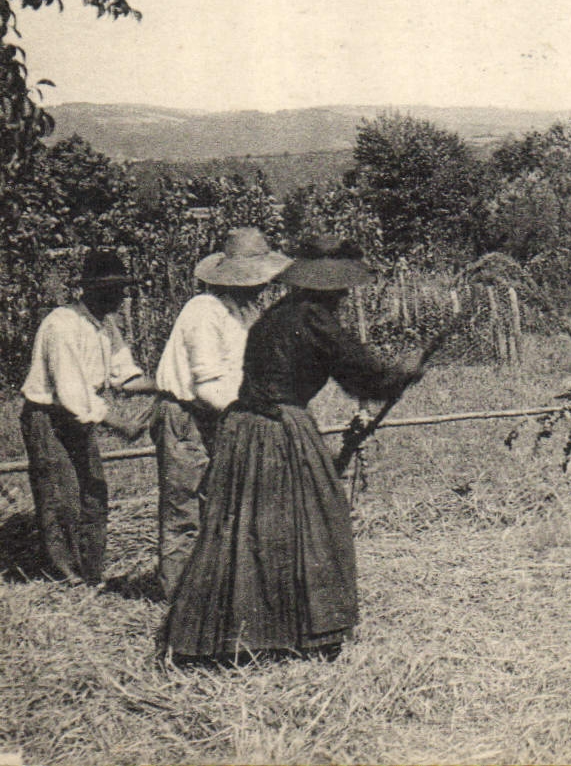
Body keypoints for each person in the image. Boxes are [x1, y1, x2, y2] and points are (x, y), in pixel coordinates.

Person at [160, 236, 422, 662]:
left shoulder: (276, 315)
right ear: (329, 288)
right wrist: (403, 373)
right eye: (340, 288)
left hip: (245, 428)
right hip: (280, 426)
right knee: (318, 521)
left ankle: (240, 633)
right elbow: (364, 377)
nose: (342, 296)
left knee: (247, 528)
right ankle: (300, 631)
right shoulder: (315, 320)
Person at [151, 228, 291, 599]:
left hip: (221, 416)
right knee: (184, 506)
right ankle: (177, 598)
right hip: (186, 417)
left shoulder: (246, 312)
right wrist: (250, 413)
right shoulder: (204, 310)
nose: (262, 286)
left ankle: (212, 590)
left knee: (220, 501)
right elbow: (208, 385)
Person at [18, 249, 157, 585]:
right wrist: (121, 425)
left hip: (79, 415)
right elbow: (72, 395)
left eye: (124, 288)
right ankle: (67, 577)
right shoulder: (61, 324)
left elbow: (126, 376)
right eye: (116, 289)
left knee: (93, 492)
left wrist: (169, 386)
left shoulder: (104, 325)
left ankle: (92, 573)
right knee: (62, 498)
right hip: (49, 418)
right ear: (92, 290)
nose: (123, 296)